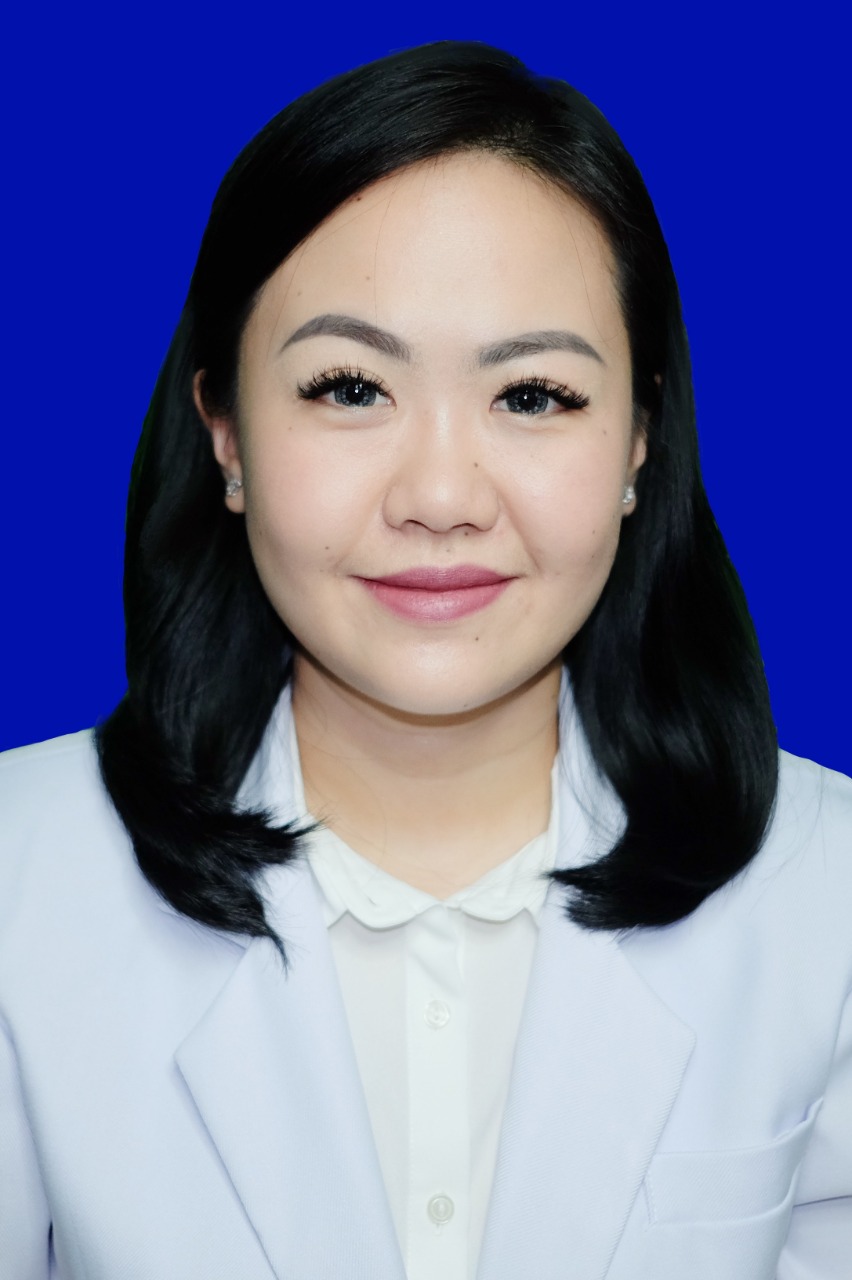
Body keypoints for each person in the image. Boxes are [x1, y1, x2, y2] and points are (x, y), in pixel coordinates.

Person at [0, 40, 849, 1280]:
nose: (442, 496)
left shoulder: (828, 889)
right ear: (225, 433)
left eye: (534, 395)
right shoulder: (20, 874)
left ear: (639, 440)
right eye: (350, 387)